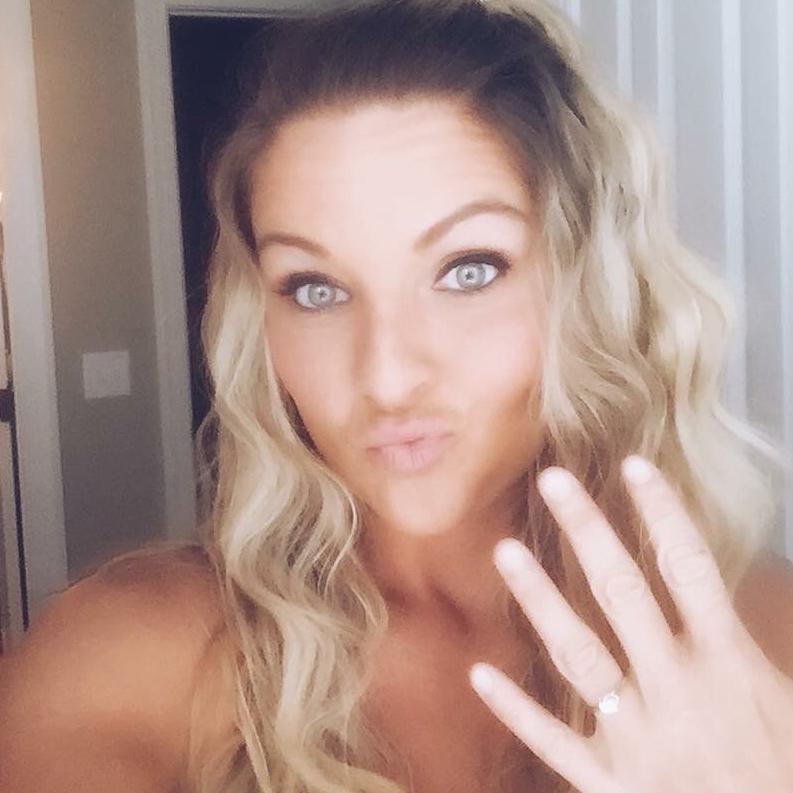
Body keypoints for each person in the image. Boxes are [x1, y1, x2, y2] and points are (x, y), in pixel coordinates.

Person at [2, 1, 793, 791]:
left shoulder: (762, 644)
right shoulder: (126, 655)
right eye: (314, 288)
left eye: (468, 270)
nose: (384, 376)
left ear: (593, 289)